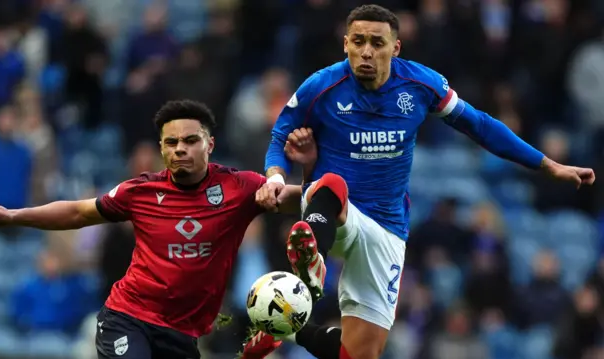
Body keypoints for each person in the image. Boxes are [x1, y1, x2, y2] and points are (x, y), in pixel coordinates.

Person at [243, 4, 596, 359]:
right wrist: (274, 175)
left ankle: (288, 326)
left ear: (396, 47)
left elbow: (479, 124)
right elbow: (279, 136)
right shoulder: (321, 85)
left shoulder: (420, 84)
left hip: (387, 227)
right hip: (332, 211)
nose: (367, 51)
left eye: (377, 43)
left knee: (358, 354)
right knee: (331, 183)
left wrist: (545, 163)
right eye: (359, 41)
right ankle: (311, 257)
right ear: (346, 43)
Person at [0, 99, 305, 359]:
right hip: (128, 318)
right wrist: (15, 215)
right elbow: (78, 212)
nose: (180, 149)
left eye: (191, 140)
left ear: (210, 144)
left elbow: (301, 199)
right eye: (171, 142)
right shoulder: (140, 192)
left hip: (184, 333)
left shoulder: (239, 188)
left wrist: (309, 174)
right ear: (162, 148)